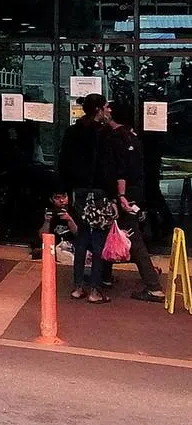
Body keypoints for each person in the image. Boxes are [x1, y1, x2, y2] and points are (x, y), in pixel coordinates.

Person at [100, 102, 167, 304]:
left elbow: (120, 170)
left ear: (112, 114)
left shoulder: (115, 138)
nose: (104, 112)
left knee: (131, 235)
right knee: (114, 230)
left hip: (124, 194)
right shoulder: (133, 136)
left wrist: (120, 196)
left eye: (107, 108)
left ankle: (153, 285)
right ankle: (105, 275)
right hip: (135, 192)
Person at [58, 93, 115, 297]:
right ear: (99, 109)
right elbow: (109, 166)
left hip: (78, 191)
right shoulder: (104, 134)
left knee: (81, 237)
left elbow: (64, 162)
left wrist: (65, 189)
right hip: (99, 191)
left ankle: (77, 286)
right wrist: (113, 195)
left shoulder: (73, 132)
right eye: (106, 107)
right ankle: (95, 289)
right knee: (98, 239)